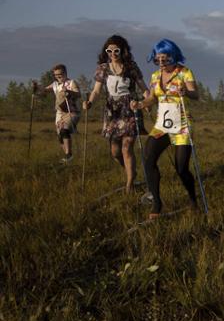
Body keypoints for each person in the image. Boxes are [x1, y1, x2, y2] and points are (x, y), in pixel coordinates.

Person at [130, 39, 199, 218]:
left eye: (164, 58)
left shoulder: (184, 72)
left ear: (173, 56)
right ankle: (157, 203)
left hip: (182, 125)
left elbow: (196, 94)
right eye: (157, 58)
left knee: (181, 168)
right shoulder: (155, 76)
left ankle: (193, 200)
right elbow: (152, 98)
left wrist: (186, 92)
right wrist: (140, 104)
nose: (161, 62)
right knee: (148, 158)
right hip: (162, 125)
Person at [83, 35, 148, 192]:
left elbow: (143, 87)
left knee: (127, 147)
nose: (113, 53)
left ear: (123, 50)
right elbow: (96, 90)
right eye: (109, 51)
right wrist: (89, 102)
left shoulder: (131, 67)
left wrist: (147, 102)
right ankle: (130, 171)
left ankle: (129, 184)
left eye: (116, 50)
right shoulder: (103, 68)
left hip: (130, 108)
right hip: (113, 111)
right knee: (115, 152)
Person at [33, 64, 81, 163]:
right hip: (60, 113)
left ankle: (68, 155)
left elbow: (78, 94)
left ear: (65, 73)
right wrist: (36, 87)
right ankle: (68, 157)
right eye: (56, 75)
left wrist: (69, 92)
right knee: (60, 136)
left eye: (60, 74)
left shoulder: (71, 82)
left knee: (64, 129)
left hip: (71, 111)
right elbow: (44, 90)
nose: (58, 76)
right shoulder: (55, 84)